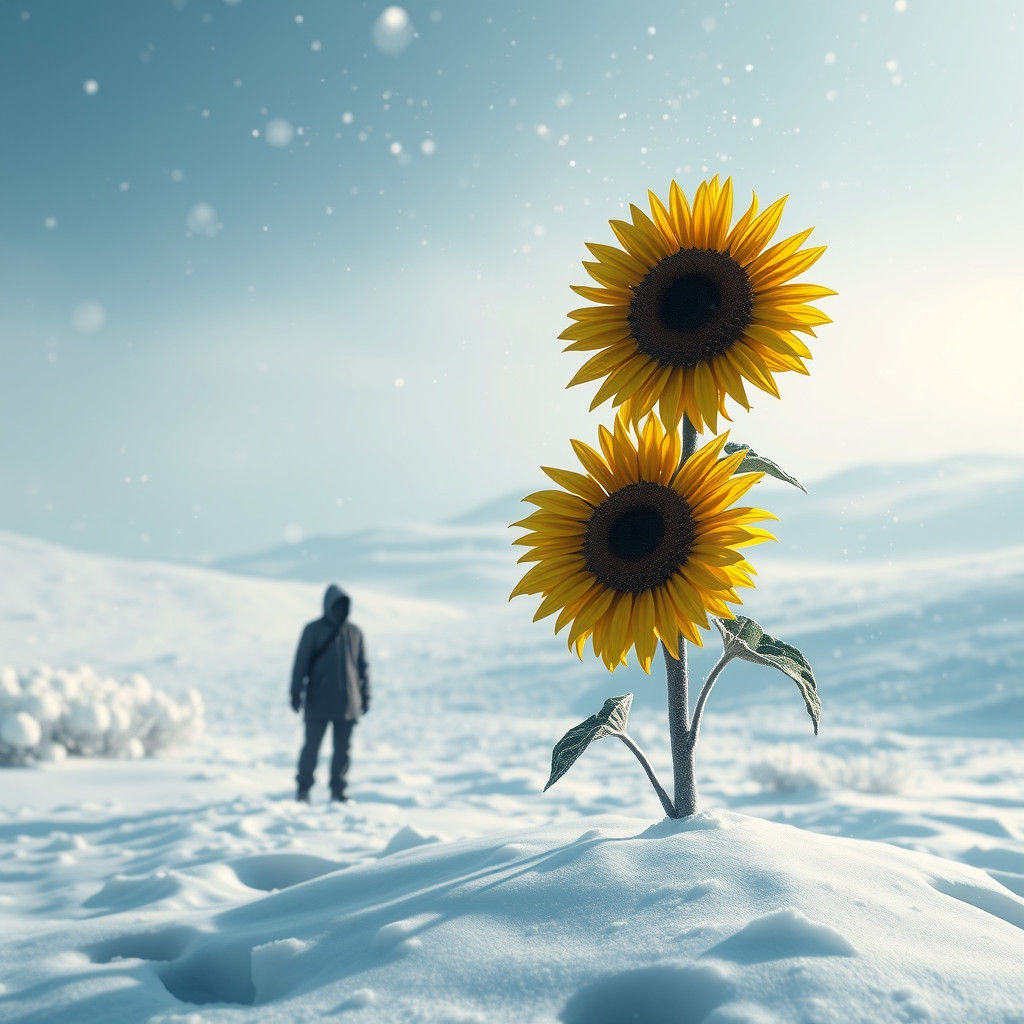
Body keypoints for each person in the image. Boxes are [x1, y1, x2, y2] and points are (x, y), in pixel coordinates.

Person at [290, 583, 370, 803]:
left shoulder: (355, 632)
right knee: (311, 749)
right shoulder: (313, 630)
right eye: (337, 604)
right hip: (318, 702)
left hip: (348, 703)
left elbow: (363, 668)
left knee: (343, 752)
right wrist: (295, 693)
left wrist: (365, 696)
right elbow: (300, 664)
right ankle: (303, 789)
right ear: (327, 605)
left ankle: (338, 791)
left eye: (344, 605)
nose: (340, 609)